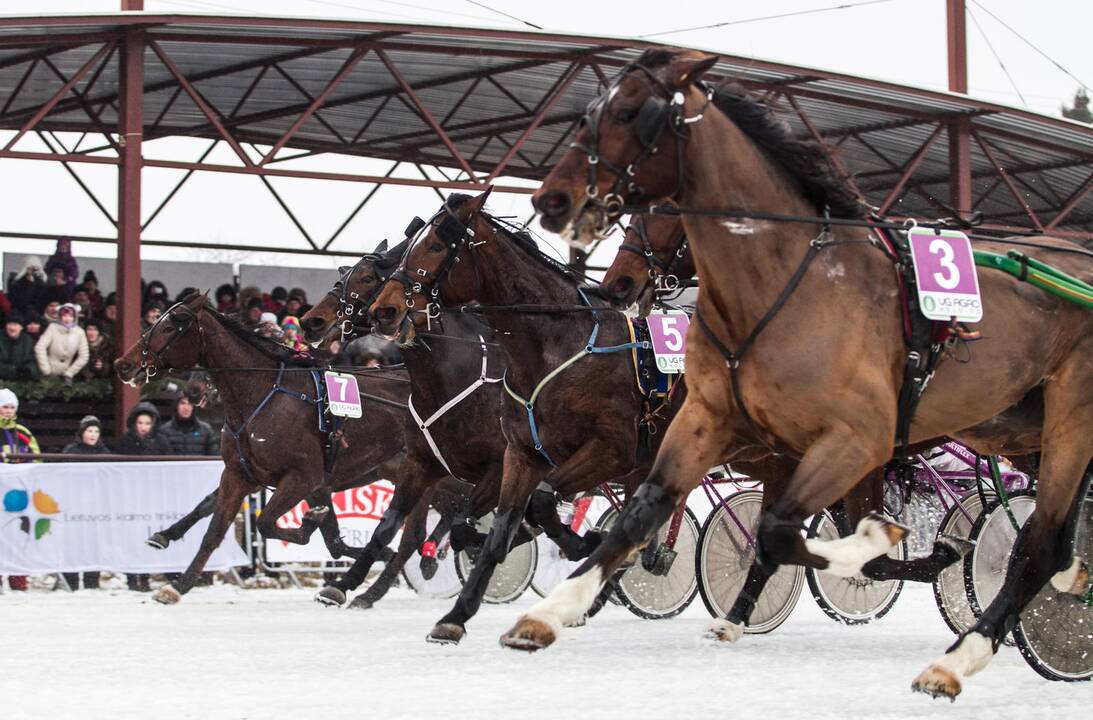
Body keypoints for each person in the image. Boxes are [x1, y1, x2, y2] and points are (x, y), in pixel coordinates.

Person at [118, 402, 171, 592]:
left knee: (148, 536)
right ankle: (132, 577)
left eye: (147, 423)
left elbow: (168, 469)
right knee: (131, 536)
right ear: (134, 423)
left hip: (152, 495)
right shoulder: (126, 441)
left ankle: (146, 576)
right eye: (140, 423)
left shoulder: (161, 442)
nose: (143, 427)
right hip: (132, 495)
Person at [61, 415, 107, 591]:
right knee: (73, 543)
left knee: (93, 543)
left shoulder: (104, 453)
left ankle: (92, 580)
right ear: (82, 432)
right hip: (74, 504)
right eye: (89, 430)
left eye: (96, 431)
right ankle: (71, 580)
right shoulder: (71, 451)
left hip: (96, 505)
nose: (93, 434)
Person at [0, 388, 38, 592]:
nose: (8, 411)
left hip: (18, 495)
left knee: (18, 535)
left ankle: (19, 579)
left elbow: (35, 457)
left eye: (11, 407)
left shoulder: (23, 433)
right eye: (4, 407)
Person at [34, 303, 88, 383]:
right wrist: (46, 370)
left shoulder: (80, 332)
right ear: (60, 316)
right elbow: (39, 347)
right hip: (49, 372)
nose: (67, 319)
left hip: (69, 376)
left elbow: (84, 355)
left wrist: (70, 373)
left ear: (75, 317)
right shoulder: (52, 328)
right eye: (64, 315)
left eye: (70, 316)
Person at [0, 313, 40, 380]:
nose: (12, 328)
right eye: (9, 324)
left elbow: (32, 360)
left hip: (23, 380)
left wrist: (29, 371)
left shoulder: (28, 340)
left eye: (15, 325)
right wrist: (15, 371)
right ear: (6, 326)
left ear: (21, 327)